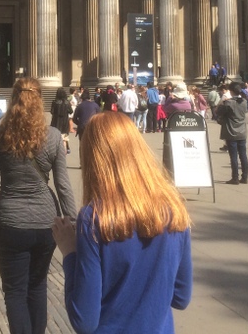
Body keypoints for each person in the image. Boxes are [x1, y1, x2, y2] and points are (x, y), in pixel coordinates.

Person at [51, 112, 192, 333]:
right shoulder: (174, 209)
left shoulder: (95, 218)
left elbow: (84, 321)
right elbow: (181, 297)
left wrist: (69, 253)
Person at [0, 77, 77, 334]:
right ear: (39, 101)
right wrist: (73, 221)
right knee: (37, 286)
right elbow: (63, 185)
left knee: (15, 292)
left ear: (14, 99)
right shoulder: (54, 137)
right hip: (46, 223)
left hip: (10, 221)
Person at [217, 82, 248, 184]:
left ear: (231, 91)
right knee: (243, 155)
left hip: (231, 132)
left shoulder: (229, 103)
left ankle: (235, 177)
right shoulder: (244, 101)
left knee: (233, 156)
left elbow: (218, 112)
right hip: (242, 131)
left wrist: (223, 103)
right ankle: (245, 177)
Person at [50, 88, 74, 154]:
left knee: (55, 138)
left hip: (56, 123)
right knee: (64, 138)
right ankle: (65, 151)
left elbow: (52, 112)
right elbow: (71, 111)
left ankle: (56, 151)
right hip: (65, 124)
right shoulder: (67, 102)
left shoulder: (54, 102)